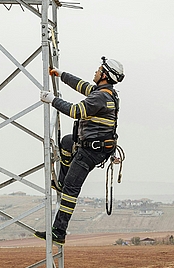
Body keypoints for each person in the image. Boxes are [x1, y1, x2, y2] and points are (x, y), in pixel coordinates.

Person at [35, 56, 124, 245]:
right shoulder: (105, 93)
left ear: (105, 75)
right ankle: (61, 181)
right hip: (93, 147)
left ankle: (59, 231)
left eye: (99, 69)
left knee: (71, 190)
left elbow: (76, 111)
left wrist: (52, 100)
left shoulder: (100, 97)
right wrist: (61, 74)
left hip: (91, 152)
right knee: (67, 142)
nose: (96, 71)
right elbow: (81, 85)